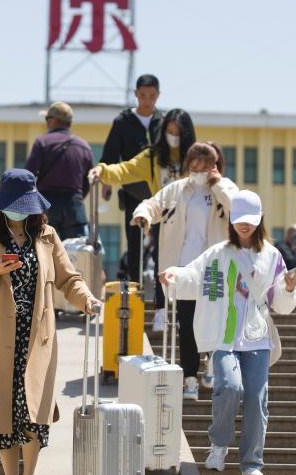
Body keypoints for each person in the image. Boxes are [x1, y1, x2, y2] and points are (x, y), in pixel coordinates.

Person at [0, 169, 102, 475]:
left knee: (33, 415)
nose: (20, 213)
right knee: (4, 417)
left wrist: (87, 300)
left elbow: (70, 278)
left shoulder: (48, 235)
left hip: (37, 338)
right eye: (14, 206)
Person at [160, 190, 296, 475]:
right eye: (239, 220)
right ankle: (219, 444)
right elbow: (192, 276)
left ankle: (252, 462)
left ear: (260, 219)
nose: (244, 226)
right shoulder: (218, 253)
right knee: (228, 386)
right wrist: (172, 277)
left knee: (256, 398)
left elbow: (280, 302)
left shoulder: (272, 255)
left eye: (249, 221)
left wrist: (289, 287)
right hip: (223, 337)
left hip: (257, 338)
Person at [132, 142, 238, 400]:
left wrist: (218, 183)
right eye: (195, 162)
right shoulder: (178, 190)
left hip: (214, 269)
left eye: (205, 163)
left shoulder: (223, 189)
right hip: (182, 269)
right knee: (187, 325)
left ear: (215, 164)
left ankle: (212, 364)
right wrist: (142, 215)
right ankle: (190, 377)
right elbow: (152, 204)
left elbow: (240, 207)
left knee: (214, 319)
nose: (199, 168)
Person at [90, 108, 196, 329]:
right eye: (169, 131)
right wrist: (102, 171)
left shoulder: (194, 157)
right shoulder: (153, 157)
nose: (173, 136)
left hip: (191, 222)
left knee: (189, 267)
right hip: (164, 219)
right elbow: (125, 169)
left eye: (177, 132)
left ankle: (184, 312)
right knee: (162, 264)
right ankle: (160, 310)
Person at [100, 74, 164, 284]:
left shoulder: (162, 122)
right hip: (133, 190)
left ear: (158, 96)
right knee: (134, 238)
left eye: (152, 96)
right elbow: (110, 154)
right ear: (136, 95)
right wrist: (107, 183)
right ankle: (136, 286)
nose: (147, 100)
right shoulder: (123, 122)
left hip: (159, 193)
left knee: (161, 239)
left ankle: (160, 289)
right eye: (143, 95)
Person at [24, 102, 94, 240]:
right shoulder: (84, 146)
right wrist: (76, 197)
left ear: (53, 120)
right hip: (74, 205)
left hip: (46, 205)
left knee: (44, 254)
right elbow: (88, 181)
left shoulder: (42, 142)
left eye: (47, 119)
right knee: (76, 254)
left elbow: (28, 176)